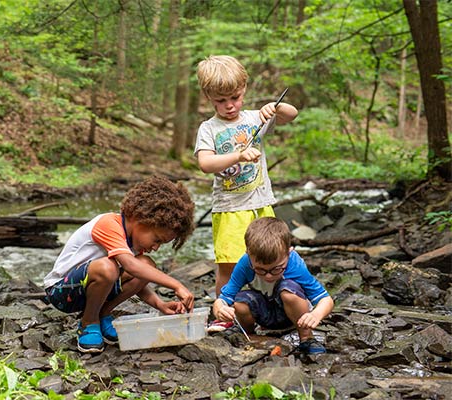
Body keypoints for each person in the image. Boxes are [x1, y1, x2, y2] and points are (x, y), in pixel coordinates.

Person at [194, 55, 299, 331]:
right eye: (221, 101)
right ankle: (223, 314)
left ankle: (277, 305)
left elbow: (292, 114)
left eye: (235, 97)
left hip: (261, 204)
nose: (230, 106)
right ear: (208, 97)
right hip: (229, 208)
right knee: (229, 265)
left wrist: (275, 107)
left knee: (272, 260)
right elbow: (206, 163)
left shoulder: (255, 117)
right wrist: (238, 155)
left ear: (244, 89)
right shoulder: (209, 129)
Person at [43, 175, 196, 353]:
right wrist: (176, 285)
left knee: (146, 264)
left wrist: (160, 304)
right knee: (108, 268)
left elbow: (138, 278)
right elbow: (130, 266)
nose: (155, 247)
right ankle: (88, 323)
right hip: (61, 292)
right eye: (157, 240)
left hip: (90, 290)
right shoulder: (108, 224)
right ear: (141, 218)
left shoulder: (133, 244)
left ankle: (101, 315)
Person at [212, 217, 334, 354]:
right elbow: (222, 299)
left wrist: (316, 315)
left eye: (276, 269)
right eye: (260, 270)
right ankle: (248, 334)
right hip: (264, 314)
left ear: (289, 252)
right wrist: (220, 310)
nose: (268, 276)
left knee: (288, 290)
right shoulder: (245, 264)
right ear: (248, 254)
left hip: (294, 317)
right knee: (239, 302)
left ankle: (306, 337)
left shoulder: (294, 264)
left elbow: (326, 300)